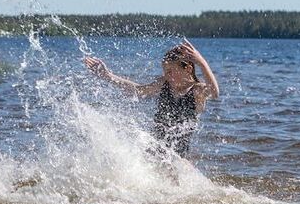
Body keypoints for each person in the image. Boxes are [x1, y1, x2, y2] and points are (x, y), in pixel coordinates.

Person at [82, 39, 219, 157]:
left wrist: (202, 62)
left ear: (188, 69)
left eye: (171, 71)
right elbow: (138, 91)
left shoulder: (196, 90)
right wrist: (107, 75)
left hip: (178, 156)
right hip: (154, 148)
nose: (167, 76)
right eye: (165, 72)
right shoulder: (164, 84)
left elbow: (214, 92)